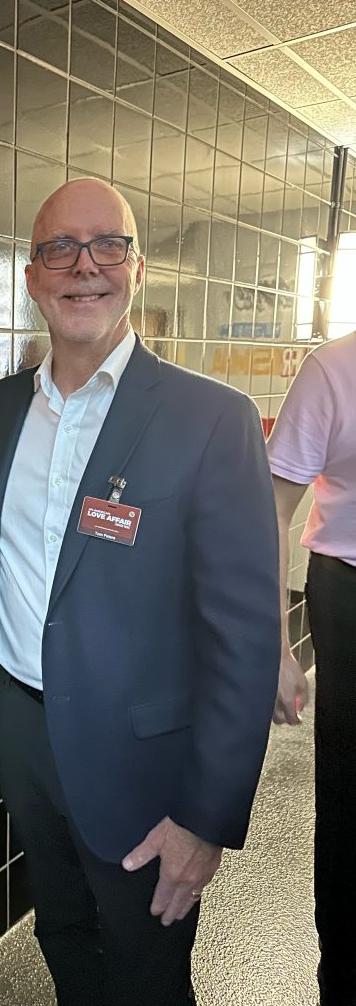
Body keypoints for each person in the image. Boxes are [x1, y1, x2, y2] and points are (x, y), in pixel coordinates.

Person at [0, 178, 280, 1006]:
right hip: (21, 730)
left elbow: (245, 637)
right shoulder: (5, 409)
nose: (84, 266)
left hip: (143, 759)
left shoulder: (211, 419)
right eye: (60, 248)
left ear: (137, 267)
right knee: (61, 932)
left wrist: (207, 819)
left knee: (147, 969)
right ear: (31, 276)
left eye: (108, 246)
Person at [266, 330, 356, 1006]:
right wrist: (275, 645)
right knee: (351, 799)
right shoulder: (335, 368)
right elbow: (273, 510)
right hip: (349, 592)